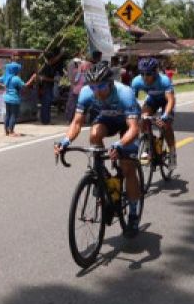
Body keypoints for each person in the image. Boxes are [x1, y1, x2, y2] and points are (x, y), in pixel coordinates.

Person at [54, 62, 143, 235]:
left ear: (110, 83)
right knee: (94, 135)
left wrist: (119, 144)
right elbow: (77, 122)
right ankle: (102, 175)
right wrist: (65, 141)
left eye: (101, 86)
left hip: (127, 123)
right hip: (107, 120)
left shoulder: (125, 93)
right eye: (93, 86)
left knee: (127, 167)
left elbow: (133, 128)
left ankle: (133, 214)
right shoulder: (86, 93)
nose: (97, 91)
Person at [131, 57, 177, 160]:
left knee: (166, 126)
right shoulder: (136, 81)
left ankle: (172, 152)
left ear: (155, 72)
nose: (144, 77)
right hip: (152, 100)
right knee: (143, 120)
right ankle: (148, 145)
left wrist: (165, 116)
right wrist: (135, 113)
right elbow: (131, 100)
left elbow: (170, 100)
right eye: (142, 73)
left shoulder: (164, 80)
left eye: (148, 74)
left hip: (166, 101)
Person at [31, 47, 66, 125]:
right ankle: (45, 120)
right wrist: (54, 80)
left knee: (47, 103)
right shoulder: (46, 66)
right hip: (46, 87)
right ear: (51, 58)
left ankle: (46, 119)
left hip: (48, 86)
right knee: (46, 103)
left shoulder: (49, 65)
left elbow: (56, 60)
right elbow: (43, 78)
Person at [0, 61, 25, 136]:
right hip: (14, 99)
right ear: (16, 70)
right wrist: (32, 79)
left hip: (7, 98)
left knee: (8, 115)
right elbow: (24, 86)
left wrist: (3, 86)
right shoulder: (16, 78)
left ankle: (6, 131)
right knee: (13, 115)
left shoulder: (6, 77)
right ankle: (11, 131)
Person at [66, 52, 92, 122]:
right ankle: (80, 119)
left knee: (73, 103)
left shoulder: (78, 70)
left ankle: (71, 118)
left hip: (76, 89)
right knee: (82, 104)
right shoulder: (89, 67)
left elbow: (75, 79)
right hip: (84, 89)